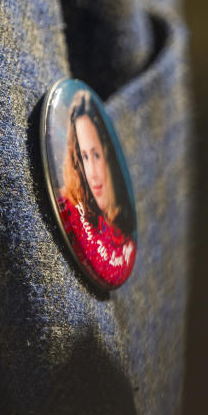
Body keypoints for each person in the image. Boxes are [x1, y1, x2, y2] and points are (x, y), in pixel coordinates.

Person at [58, 89, 136, 287]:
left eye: (96, 155)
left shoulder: (126, 242)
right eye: (83, 157)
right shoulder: (70, 211)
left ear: (108, 156)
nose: (91, 172)